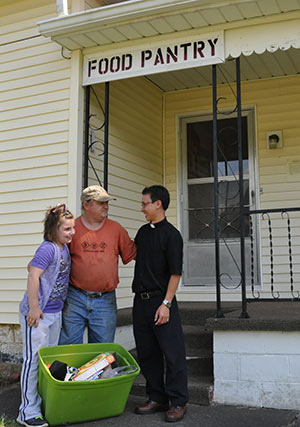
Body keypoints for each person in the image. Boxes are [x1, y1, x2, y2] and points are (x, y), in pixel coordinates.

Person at [132, 185, 188, 423]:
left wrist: (166, 303)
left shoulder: (172, 235)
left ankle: (178, 401)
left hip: (161, 301)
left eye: (145, 203)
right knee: (147, 353)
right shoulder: (143, 233)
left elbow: (175, 274)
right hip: (140, 302)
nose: (142, 207)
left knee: (172, 353)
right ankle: (157, 397)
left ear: (158, 204)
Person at [17, 204, 75, 427]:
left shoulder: (62, 247)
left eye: (72, 228)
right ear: (54, 230)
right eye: (66, 229)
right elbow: (33, 276)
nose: (71, 233)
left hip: (54, 312)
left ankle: (41, 406)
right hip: (37, 315)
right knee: (33, 362)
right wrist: (34, 307)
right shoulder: (49, 248)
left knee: (47, 362)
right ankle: (26, 412)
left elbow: (31, 266)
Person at [59, 185, 136, 345]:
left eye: (107, 203)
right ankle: (71, 371)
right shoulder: (72, 228)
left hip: (105, 300)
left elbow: (135, 255)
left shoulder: (116, 229)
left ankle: (100, 372)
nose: (106, 207)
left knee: (103, 351)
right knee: (69, 347)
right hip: (75, 297)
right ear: (86, 205)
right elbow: (57, 260)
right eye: (101, 203)